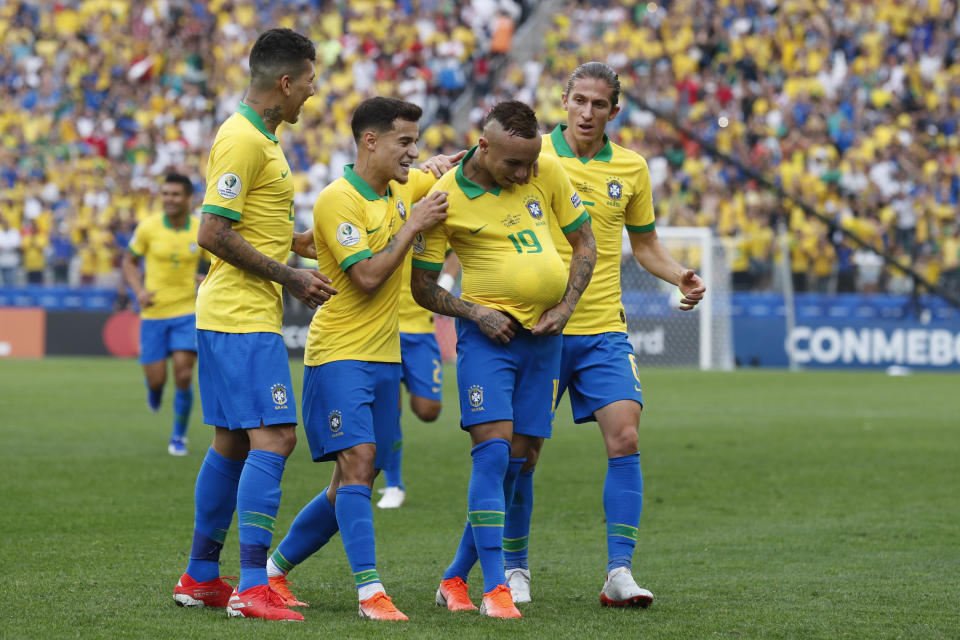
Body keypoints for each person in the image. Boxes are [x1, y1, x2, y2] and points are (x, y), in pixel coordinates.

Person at [501, 62, 705, 608]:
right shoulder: (532, 154)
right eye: (579, 101)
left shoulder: (632, 168)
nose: (588, 112)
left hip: (602, 328)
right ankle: (514, 567)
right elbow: (472, 180)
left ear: (615, 111)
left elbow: (645, 244)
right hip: (540, 327)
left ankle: (620, 573)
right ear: (563, 100)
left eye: (599, 104)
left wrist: (678, 273)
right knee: (523, 454)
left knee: (626, 436)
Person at [262, 97, 459, 621]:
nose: (413, 152)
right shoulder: (337, 198)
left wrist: (459, 158)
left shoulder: (404, 185)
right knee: (358, 465)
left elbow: (450, 172)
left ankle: (272, 571)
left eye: (416, 142)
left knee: (353, 478)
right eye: (405, 141)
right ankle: (371, 593)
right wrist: (412, 225)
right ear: (370, 140)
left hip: (384, 357)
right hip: (338, 354)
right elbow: (368, 278)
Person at [171, 28, 337, 622]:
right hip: (242, 316)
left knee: (233, 442)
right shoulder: (243, 139)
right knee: (276, 439)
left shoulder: (260, 137)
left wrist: (297, 245)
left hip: (231, 312)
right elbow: (211, 233)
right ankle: (251, 585)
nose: (312, 93)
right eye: (310, 81)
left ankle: (200, 575)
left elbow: (244, 225)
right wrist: (289, 276)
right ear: (285, 82)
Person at [410, 100, 597, 618]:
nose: (526, 173)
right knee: (493, 453)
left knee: (522, 460)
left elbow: (585, 242)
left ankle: (454, 577)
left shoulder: (545, 168)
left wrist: (565, 306)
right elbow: (422, 286)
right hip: (488, 342)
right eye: (515, 163)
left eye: (532, 161)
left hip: (545, 338)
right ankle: (495, 586)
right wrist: (476, 312)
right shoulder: (443, 195)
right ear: (484, 146)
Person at [122, 173, 209, 456]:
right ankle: (155, 390)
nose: (169, 199)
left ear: (188, 198)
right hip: (154, 314)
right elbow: (129, 262)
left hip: (187, 312)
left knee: (184, 375)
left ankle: (178, 437)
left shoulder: (200, 229)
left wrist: (206, 277)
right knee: (157, 379)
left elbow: (219, 263)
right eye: (165, 194)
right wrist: (138, 292)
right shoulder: (148, 228)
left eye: (175, 194)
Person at [376, 248, 461, 509]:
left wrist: (442, 287)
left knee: (428, 410)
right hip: (382, 328)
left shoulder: (427, 211)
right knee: (390, 410)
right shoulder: (381, 210)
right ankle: (393, 484)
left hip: (421, 329)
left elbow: (453, 253)